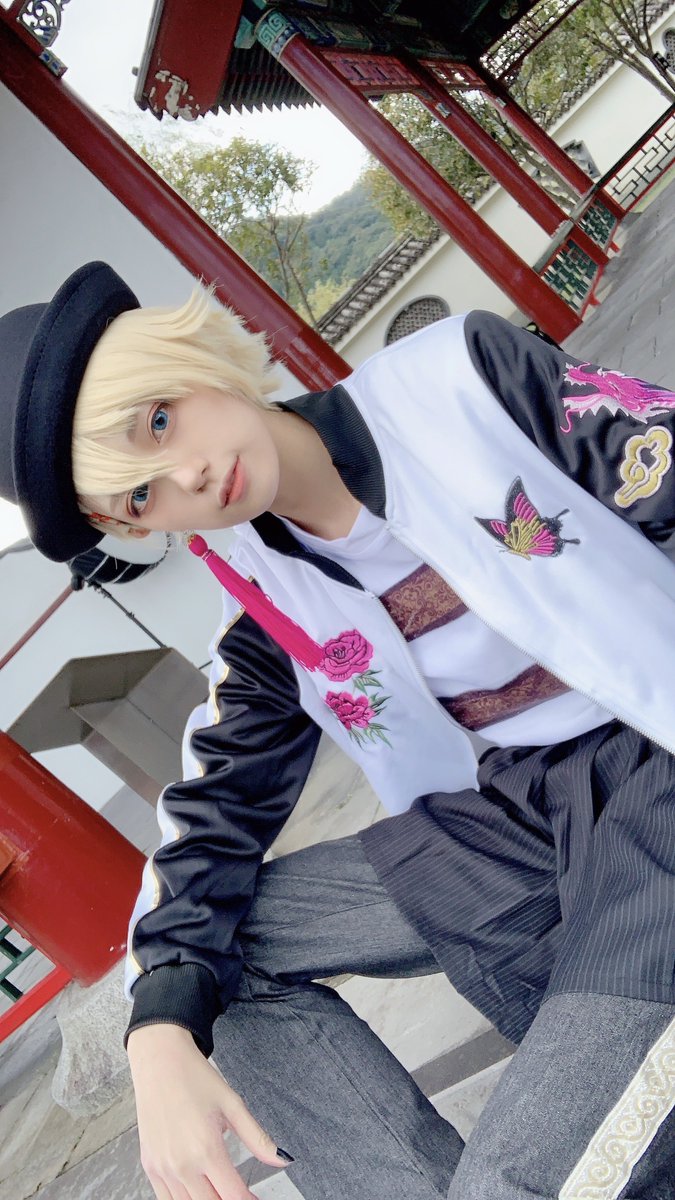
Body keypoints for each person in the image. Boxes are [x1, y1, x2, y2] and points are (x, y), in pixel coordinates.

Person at [1, 260, 673, 1200]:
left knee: (511, 1180)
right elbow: (214, 804)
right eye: (143, 497)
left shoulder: (460, 379)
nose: (190, 475)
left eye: (156, 421)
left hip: (658, 768)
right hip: (526, 817)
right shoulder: (265, 596)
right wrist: (154, 1029)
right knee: (208, 964)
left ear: (184, 359)